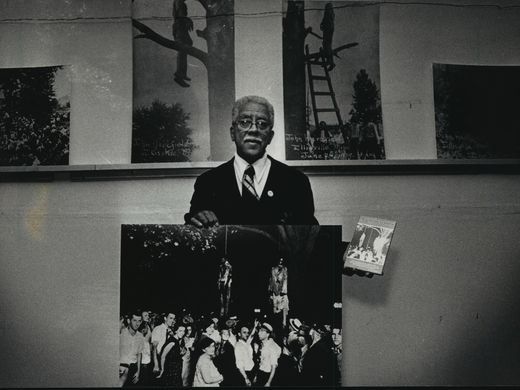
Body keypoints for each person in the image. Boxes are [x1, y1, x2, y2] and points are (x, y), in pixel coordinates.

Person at [185, 95, 318, 227]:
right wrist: (197, 222)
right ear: (232, 133)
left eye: (262, 124)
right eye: (244, 122)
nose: (254, 130)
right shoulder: (208, 183)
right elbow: (190, 235)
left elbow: (309, 239)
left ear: (270, 137)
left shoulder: (296, 182)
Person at [172, 0, 193, 87]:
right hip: (179, 29)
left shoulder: (179, 4)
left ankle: (182, 73)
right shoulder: (178, 4)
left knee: (184, 52)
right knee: (182, 52)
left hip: (180, 28)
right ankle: (179, 75)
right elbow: (179, 14)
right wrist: (187, 20)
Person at [119, 312, 144, 386]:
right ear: (129, 321)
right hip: (121, 369)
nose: (137, 323)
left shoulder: (140, 336)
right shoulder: (121, 333)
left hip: (132, 370)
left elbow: (139, 354)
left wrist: (138, 372)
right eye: (134, 320)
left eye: (139, 321)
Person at [254, 322, 281, 387]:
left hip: (267, 375)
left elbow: (273, 367)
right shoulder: (262, 344)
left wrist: (268, 382)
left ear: (268, 334)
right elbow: (261, 362)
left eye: (262, 331)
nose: (259, 333)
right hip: (260, 373)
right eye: (259, 331)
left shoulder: (272, 347)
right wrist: (256, 376)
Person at [234, 322, 257, 387]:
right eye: (244, 332)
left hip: (251, 371)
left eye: (248, 332)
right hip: (244, 373)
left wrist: (255, 327)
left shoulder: (246, 343)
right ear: (239, 334)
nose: (247, 334)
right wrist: (246, 378)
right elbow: (239, 364)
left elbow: (251, 336)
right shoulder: (238, 346)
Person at [269, 257, 289, 327]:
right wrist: (271, 291)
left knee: (283, 309)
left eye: (282, 261)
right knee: (275, 311)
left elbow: (284, 280)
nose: (281, 262)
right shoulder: (273, 269)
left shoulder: (284, 269)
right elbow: (271, 280)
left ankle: (283, 323)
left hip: (282, 293)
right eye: (279, 260)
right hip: (275, 293)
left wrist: (283, 290)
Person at [320, 2, 335, 71]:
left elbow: (325, 21)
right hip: (328, 30)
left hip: (328, 30)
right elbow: (324, 21)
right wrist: (322, 25)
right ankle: (330, 61)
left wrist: (323, 25)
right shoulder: (331, 15)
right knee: (327, 44)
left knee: (326, 44)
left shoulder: (329, 15)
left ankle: (329, 61)